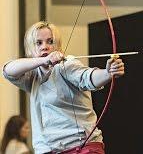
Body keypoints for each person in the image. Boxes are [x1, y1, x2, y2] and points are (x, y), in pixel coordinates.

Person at [2, 21, 125, 154]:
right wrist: (44, 61)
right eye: (39, 43)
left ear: (58, 46)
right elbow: (8, 70)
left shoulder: (66, 65)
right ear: (31, 47)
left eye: (50, 42)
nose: (45, 47)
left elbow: (88, 77)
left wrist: (108, 73)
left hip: (81, 147)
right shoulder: (32, 75)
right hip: (48, 149)